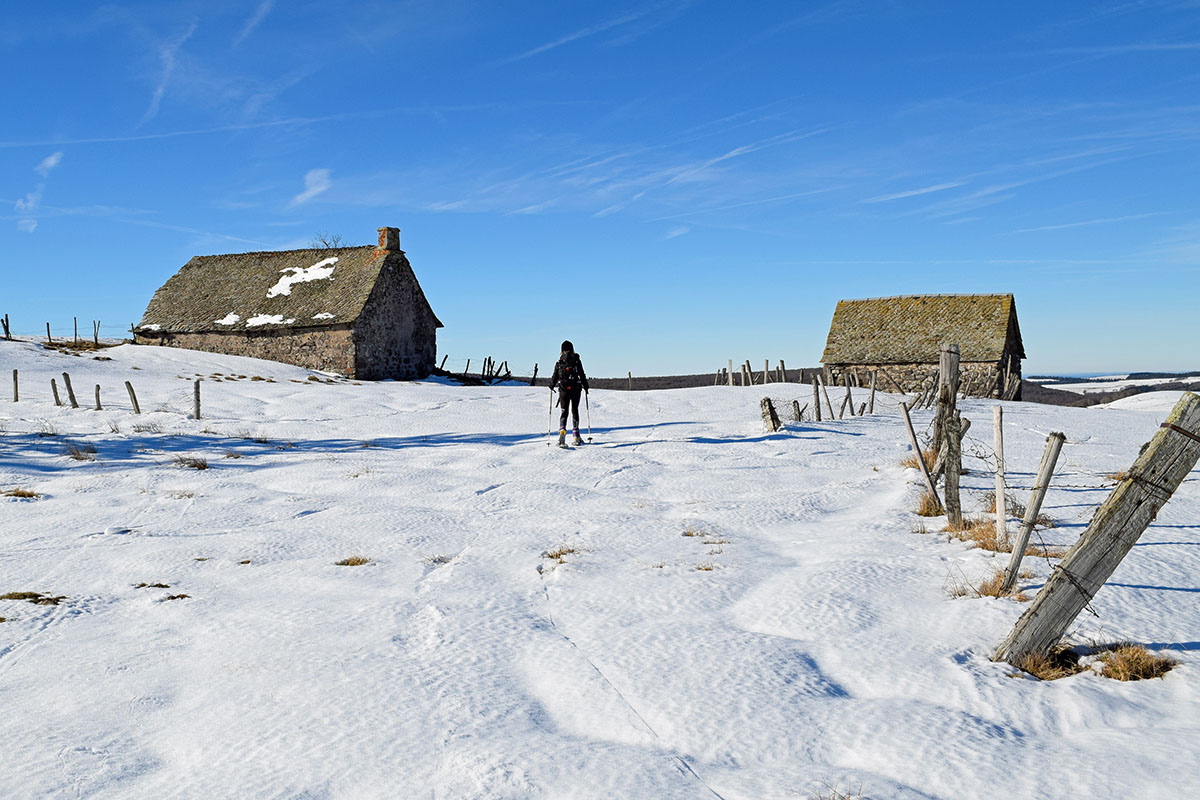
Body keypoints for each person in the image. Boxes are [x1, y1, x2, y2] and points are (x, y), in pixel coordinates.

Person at [549, 340, 589, 446]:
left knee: (564, 411)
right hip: (576, 389)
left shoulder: (559, 362)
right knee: (574, 410)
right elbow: (581, 373)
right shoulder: (576, 361)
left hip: (563, 390)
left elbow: (555, 376)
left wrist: (551, 385)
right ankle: (576, 436)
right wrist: (586, 386)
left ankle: (562, 432)